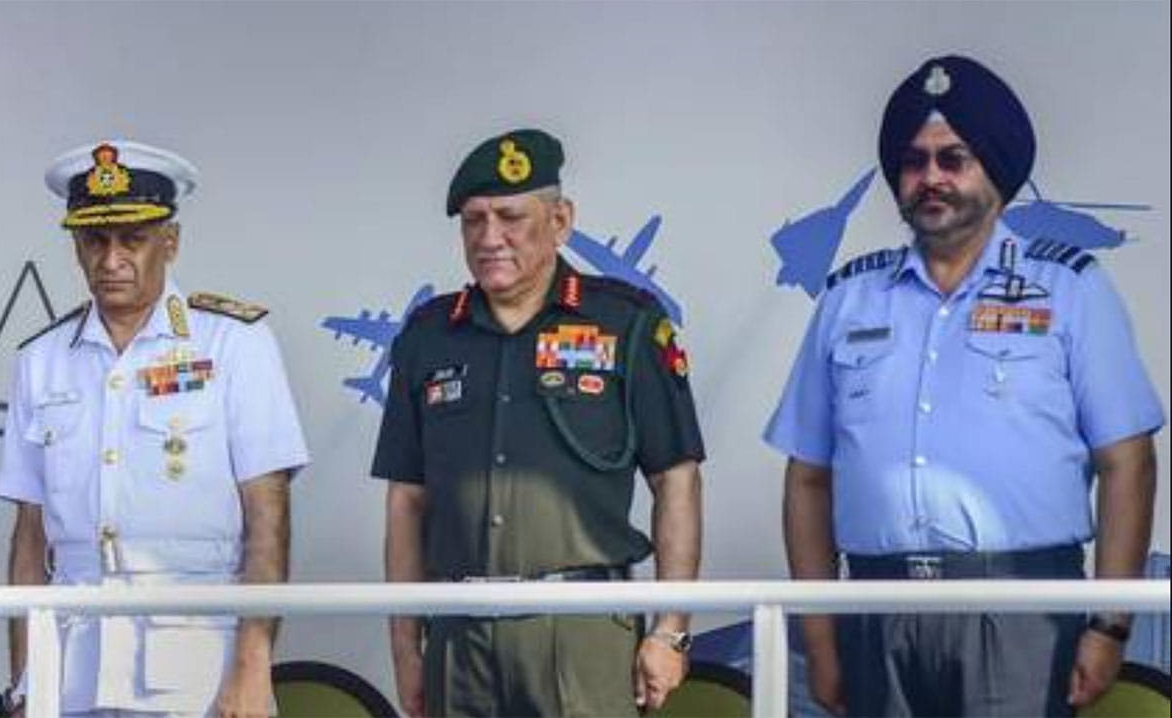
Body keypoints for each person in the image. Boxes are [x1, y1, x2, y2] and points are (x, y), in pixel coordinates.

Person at [766, 55, 1163, 717]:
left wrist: (1110, 623)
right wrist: (821, 634)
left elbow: (1128, 463)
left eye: (954, 159)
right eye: (915, 161)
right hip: (874, 608)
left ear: (996, 174)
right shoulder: (849, 298)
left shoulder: (1070, 289)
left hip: (1023, 609)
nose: (931, 178)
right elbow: (808, 478)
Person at [372, 128, 705, 717]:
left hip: (583, 628)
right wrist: (405, 646)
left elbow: (676, 479)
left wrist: (670, 628)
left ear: (560, 221)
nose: (490, 238)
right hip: (459, 634)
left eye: (510, 216)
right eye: (473, 220)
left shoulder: (624, 324)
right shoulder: (427, 335)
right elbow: (407, 502)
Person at [0, 140, 310, 717]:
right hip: (71, 667)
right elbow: (29, 536)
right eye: (94, 239)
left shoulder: (233, 343)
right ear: (76, 246)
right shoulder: (41, 359)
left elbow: (268, 518)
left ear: (170, 243)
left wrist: (251, 665)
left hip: (196, 660)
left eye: (132, 239)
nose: (111, 258)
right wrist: (24, 680)